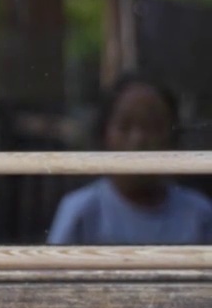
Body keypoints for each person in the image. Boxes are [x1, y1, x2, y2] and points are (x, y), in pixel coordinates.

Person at [46, 73, 212, 244]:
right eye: (124, 126)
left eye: (153, 125)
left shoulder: (199, 214)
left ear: (173, 136)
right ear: (104, 134)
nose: (138, 139)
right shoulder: (81, 211)